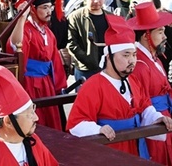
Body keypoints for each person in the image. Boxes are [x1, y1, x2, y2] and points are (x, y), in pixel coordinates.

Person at [67, 14, 172, 159]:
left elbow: (146, 108)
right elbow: (75, 124)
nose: (132, 60)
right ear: (109, 57)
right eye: (126, 55)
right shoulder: (93, 85)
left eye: (134, 55)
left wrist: (157, 118)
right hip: (110, 152)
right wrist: (98, 129)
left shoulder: (134, 81)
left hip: (136, 149)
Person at [0, 61, 59, 166]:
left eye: (33, 111)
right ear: (8, 121)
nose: (36, 118)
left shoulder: (33, 141)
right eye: (29, 114)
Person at [8, 0, 67, 130]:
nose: (49, 11)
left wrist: (59, 86)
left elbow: (55, 63)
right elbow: (16, 46)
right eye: (44, 8)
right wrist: (21, 18)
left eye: (50, 7)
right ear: (33, 9)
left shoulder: (48, 32)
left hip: (46, 83)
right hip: (29, 83)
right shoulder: (26, 29)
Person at [128, 2, 172, 165]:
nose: (165, 36)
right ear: (146, 35)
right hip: (154, 125)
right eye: (160, 31)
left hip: (164, 120)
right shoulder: (139, 64)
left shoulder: (153, 58)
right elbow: (141, 103)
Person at [67, 0, 111, 82]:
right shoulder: (75, 17)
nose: (96, 0)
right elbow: (71, 43)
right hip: (85, 69)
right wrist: (87, 60)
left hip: (108, 67)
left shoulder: (110, 17)